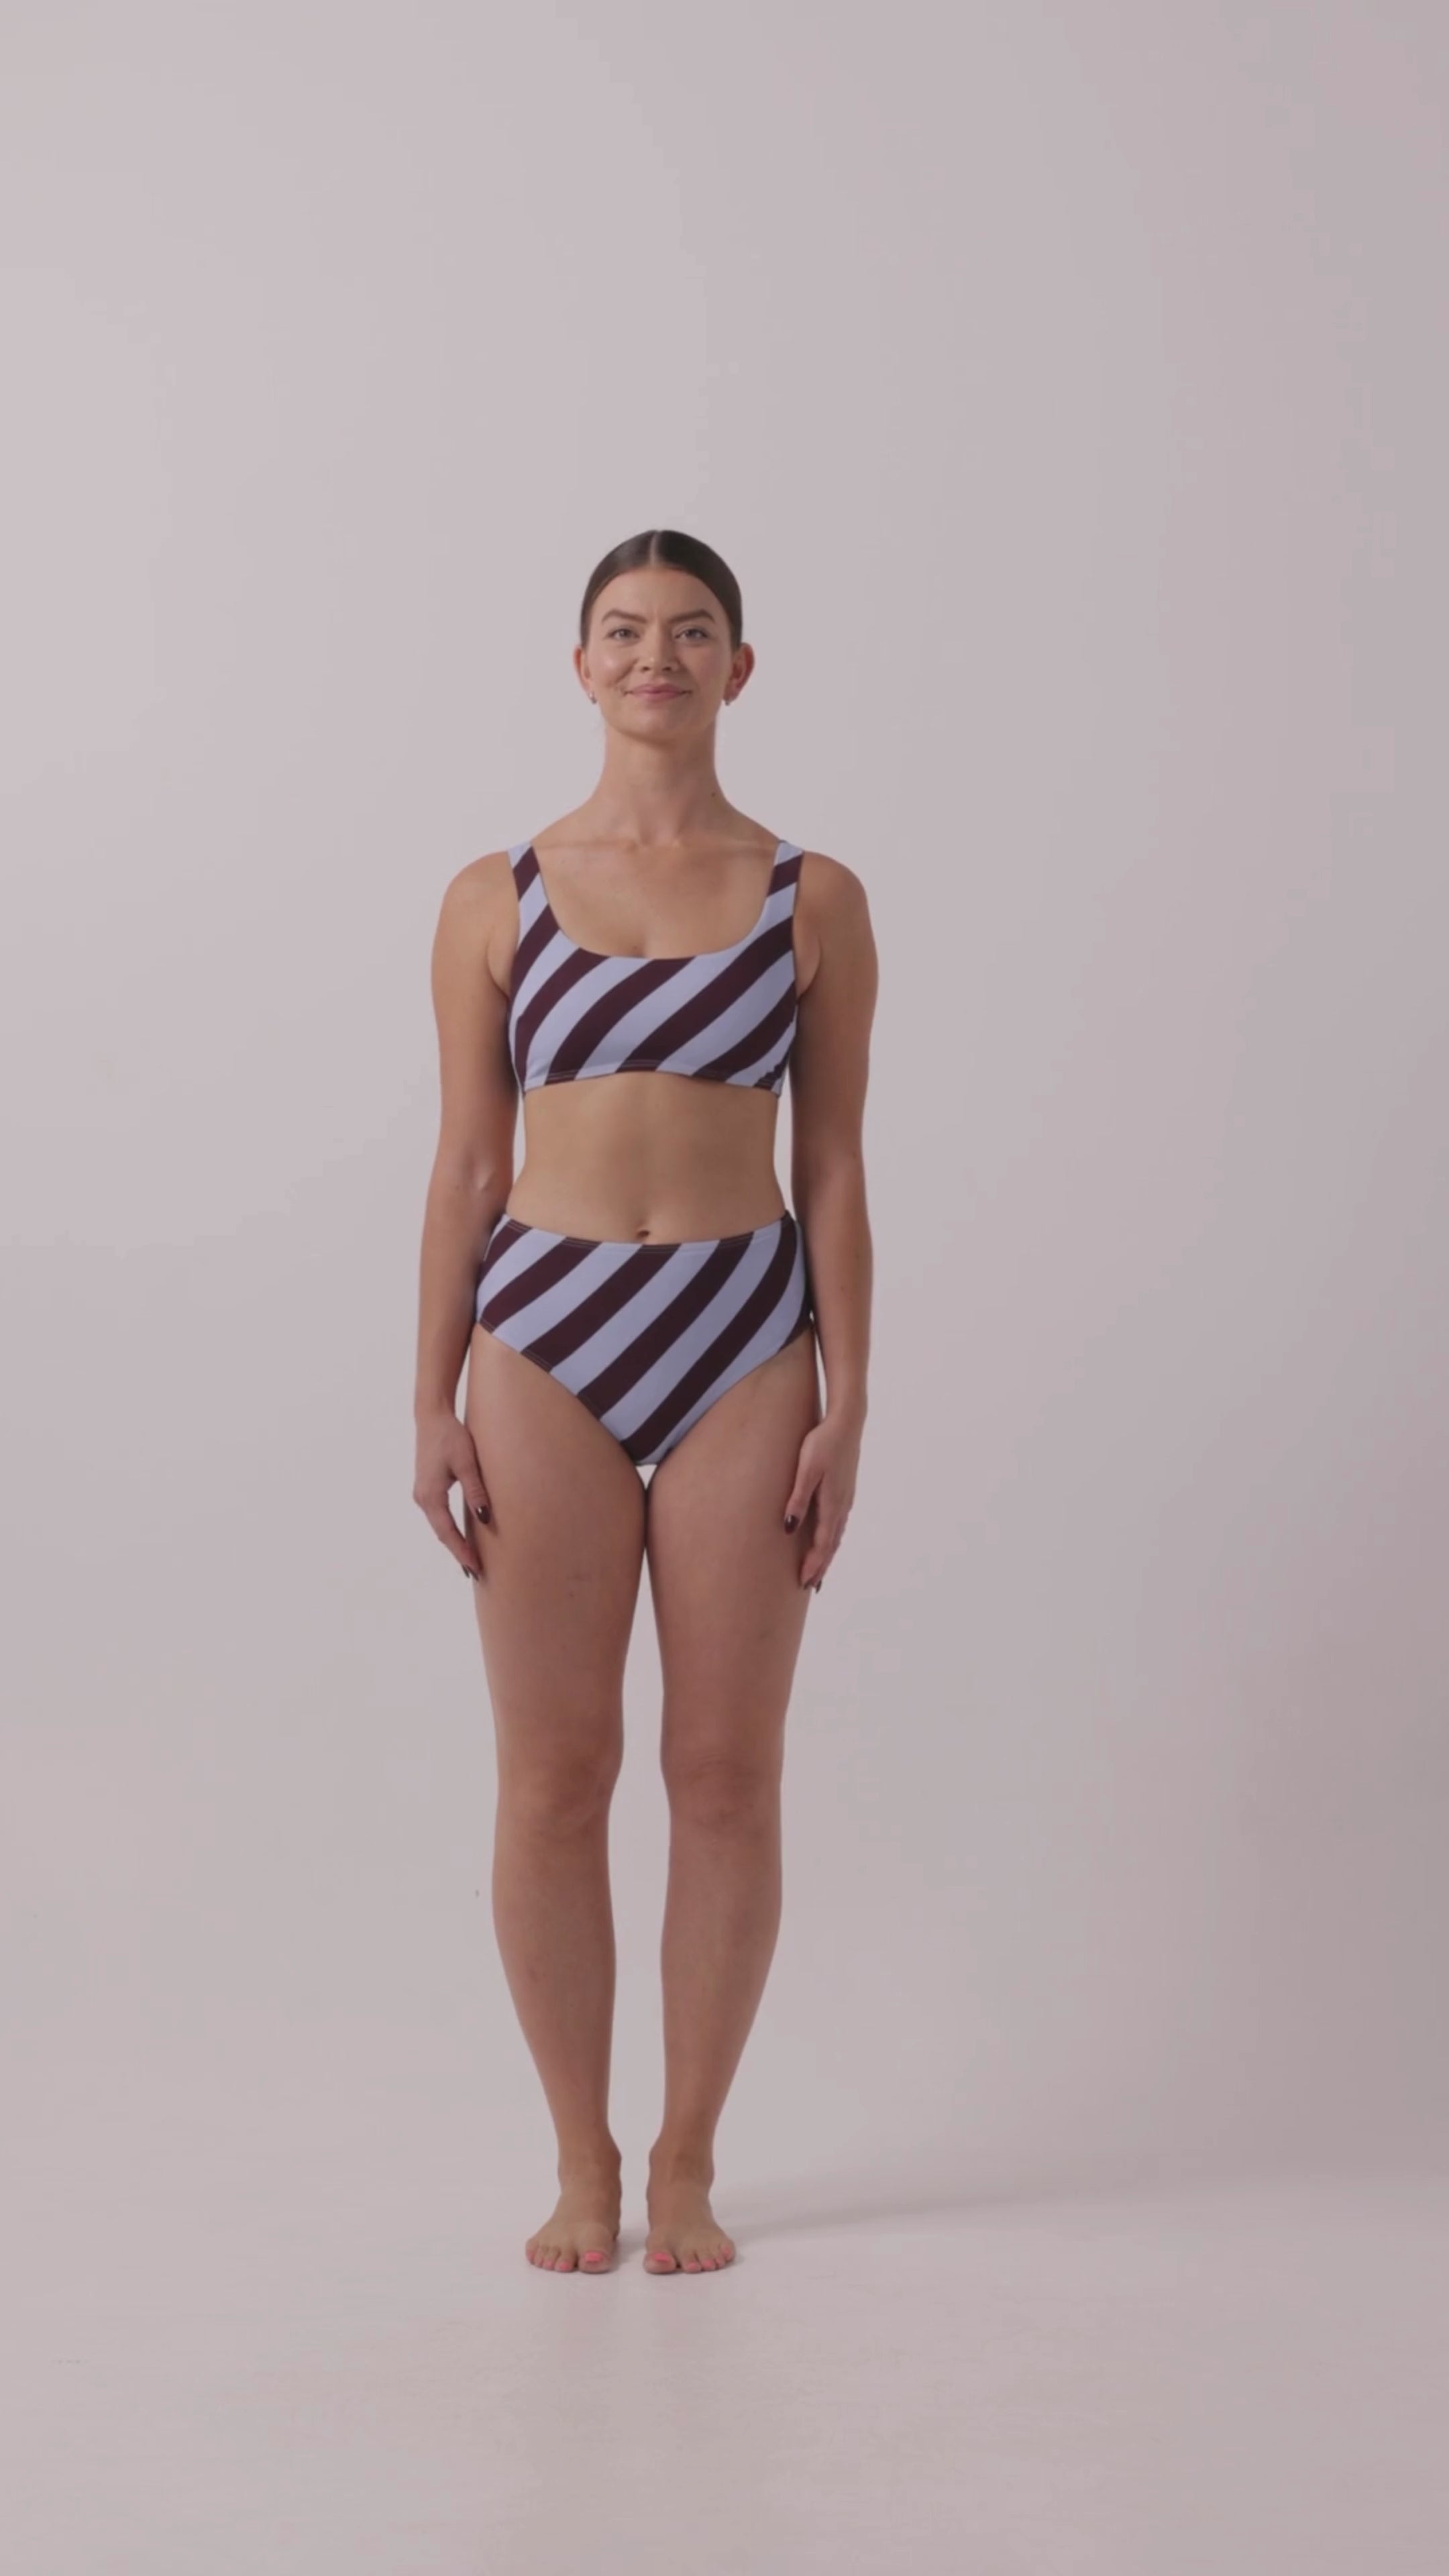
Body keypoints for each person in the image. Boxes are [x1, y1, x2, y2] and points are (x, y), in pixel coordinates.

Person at [413, 528, 877, 2275]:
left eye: (692, 632)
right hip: (542, 1331)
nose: (656, 657)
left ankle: (686, 2158)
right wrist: (425, 1395)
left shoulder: (808, 896)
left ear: (739, 670)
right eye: (624, 631)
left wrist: (848, 1395)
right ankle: (578, 2162)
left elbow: (832, 1166)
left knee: (724, 1773)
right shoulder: (496, 890)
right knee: (553, 1774)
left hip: (745, 1327)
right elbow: (466, 1160)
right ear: (582, 664)